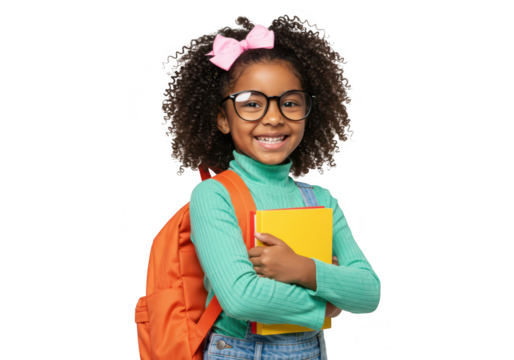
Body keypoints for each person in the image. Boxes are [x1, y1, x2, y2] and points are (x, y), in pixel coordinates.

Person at [160, 14, 381, 360]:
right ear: (221, 118)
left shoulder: (321, 199)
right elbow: (240, 298)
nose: (274, 117)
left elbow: (369, 293)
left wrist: (303, 269)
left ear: (309, 113)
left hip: (312, 351)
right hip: (236, 351)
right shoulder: (214, 195)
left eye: (290, 102)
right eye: (251, 103)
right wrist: (328, 306)